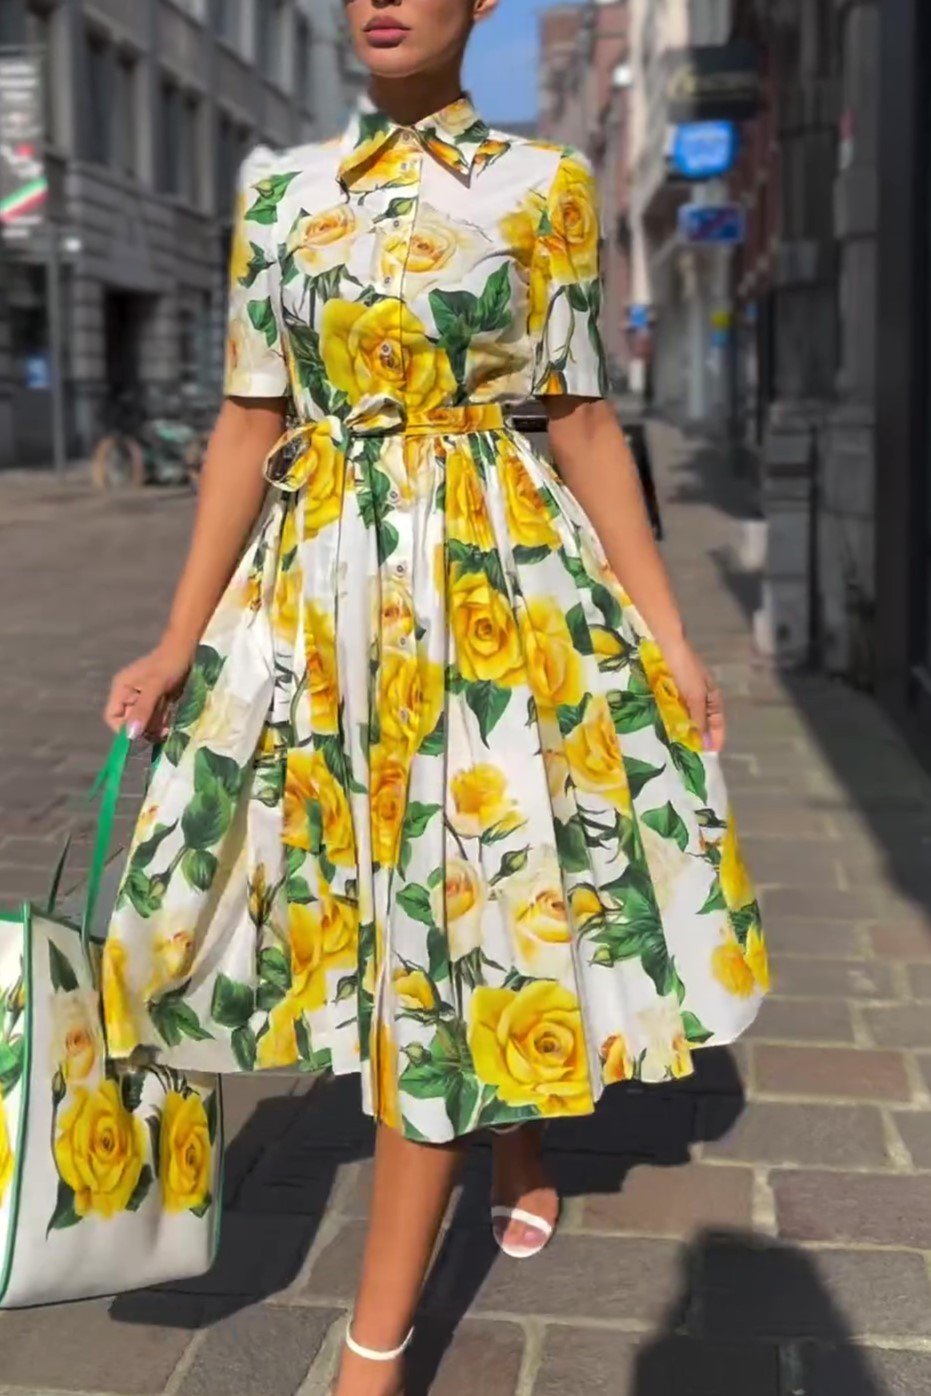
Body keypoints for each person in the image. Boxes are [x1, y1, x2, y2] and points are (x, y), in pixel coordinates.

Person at [103, 2, 769, 1392]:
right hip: (317, 600)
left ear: (481, 9)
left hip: (489, 592)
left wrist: (672, 632)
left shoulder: (548, 190)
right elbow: (247, 418)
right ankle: (509, 1130)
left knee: (459, 906)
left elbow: (580, 419)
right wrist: (177, 642)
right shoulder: (281, 194)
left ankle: (371, 1354)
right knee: (368, 906)